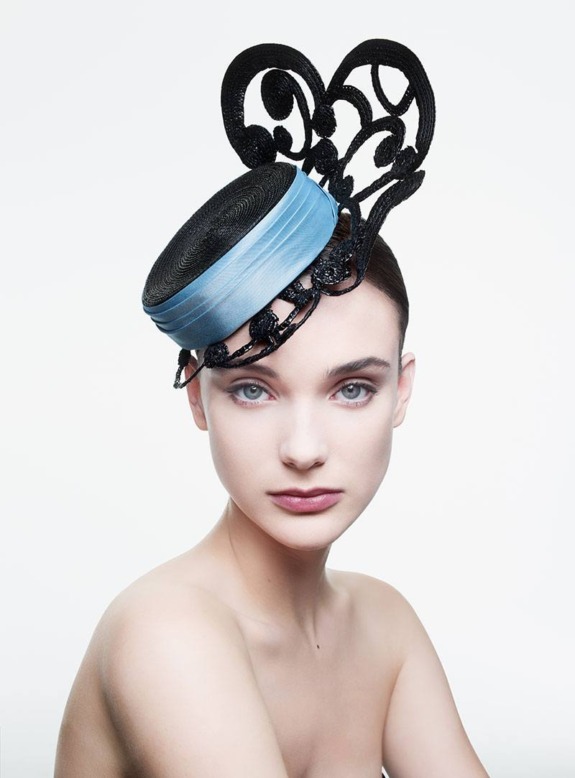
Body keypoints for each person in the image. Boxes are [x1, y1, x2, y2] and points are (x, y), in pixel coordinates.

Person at [55, 40, 489, 777]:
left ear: (401, 390)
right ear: (198, 396)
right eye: (253, 389)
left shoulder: (383, 625)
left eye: (352, 388)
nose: (303, 448)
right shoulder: (166, 630)